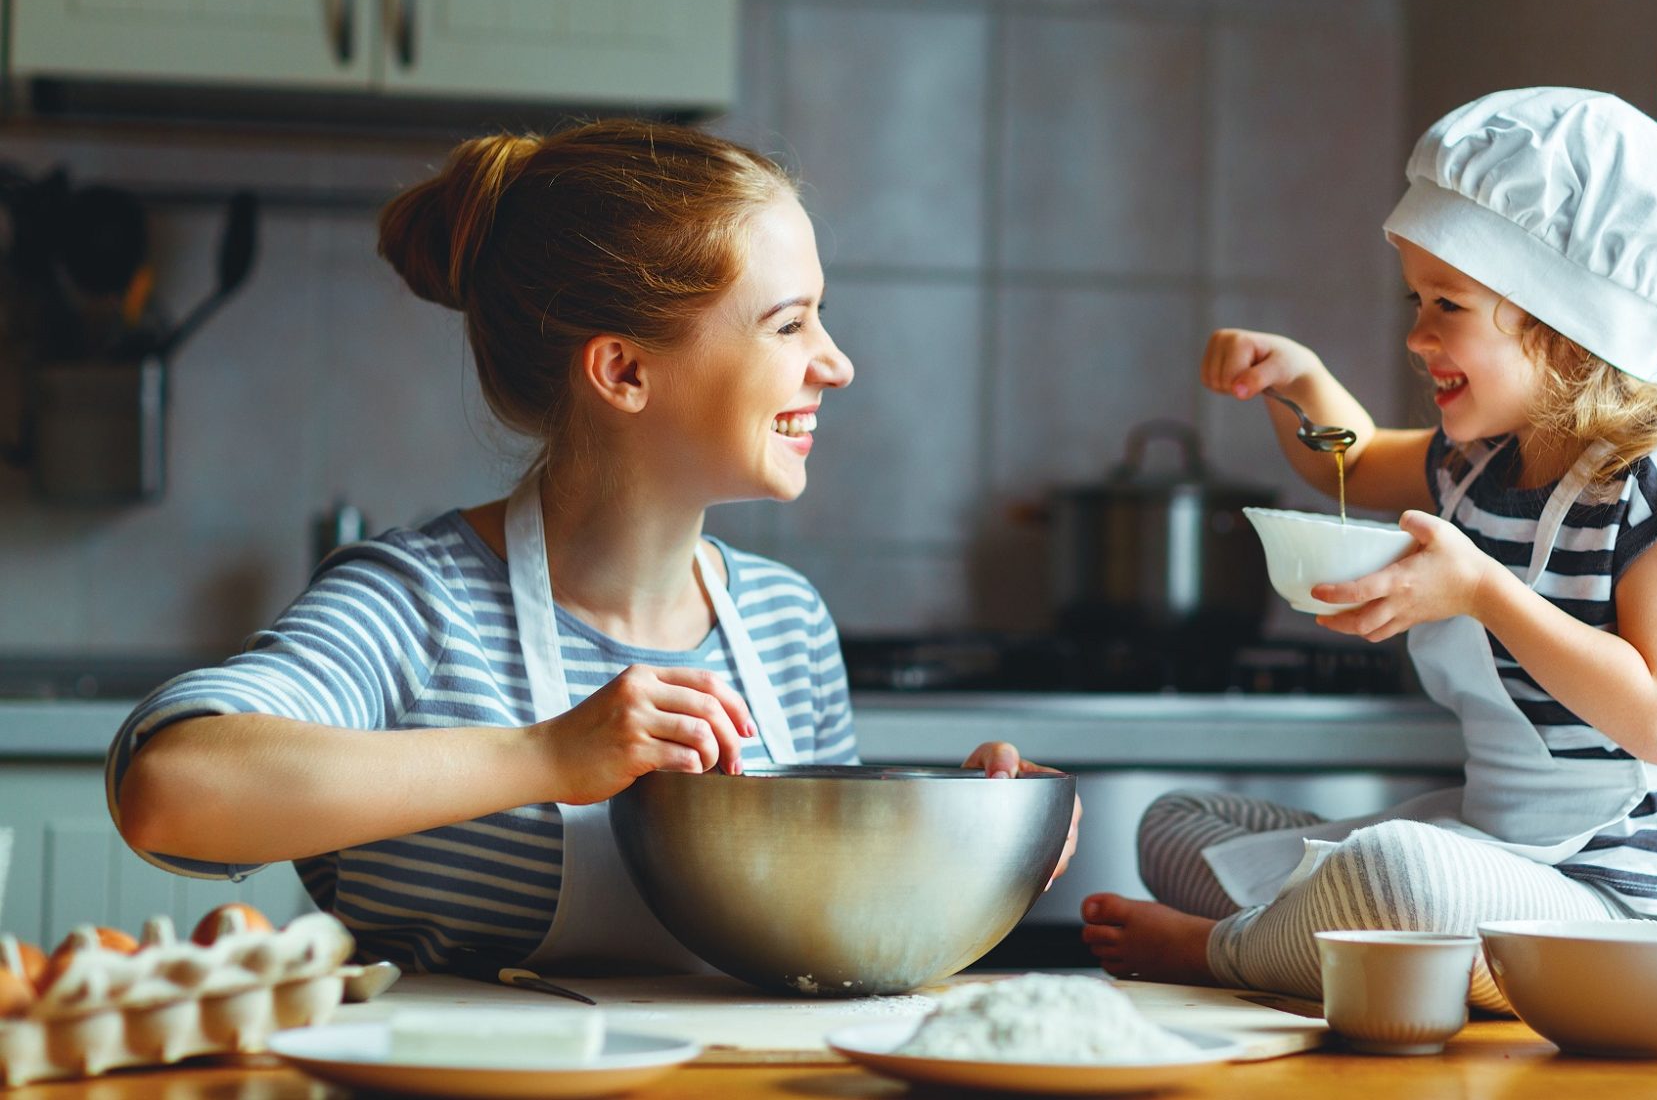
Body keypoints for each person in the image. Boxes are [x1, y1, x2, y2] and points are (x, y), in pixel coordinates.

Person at [109, 120, 1076, 973]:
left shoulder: (786, 625)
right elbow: (170, 788)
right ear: (623, 370)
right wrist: (546, 755)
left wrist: (979, 829)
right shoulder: (417, 605)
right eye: (789, 323)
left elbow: (825, 938)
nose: (836, 362)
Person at [1080, 88, 1657, 1010]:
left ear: (1563, 325)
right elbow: (1346, 462)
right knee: (1175, 823)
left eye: (1449, 304)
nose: (1415, 335)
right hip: (1497, 857)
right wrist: (1302, 382)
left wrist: (1482, 590)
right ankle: (1305, 938)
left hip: (1629, 917)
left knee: (1398, 870)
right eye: (1416, 297)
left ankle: (1225, 954)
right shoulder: (1482, 464)